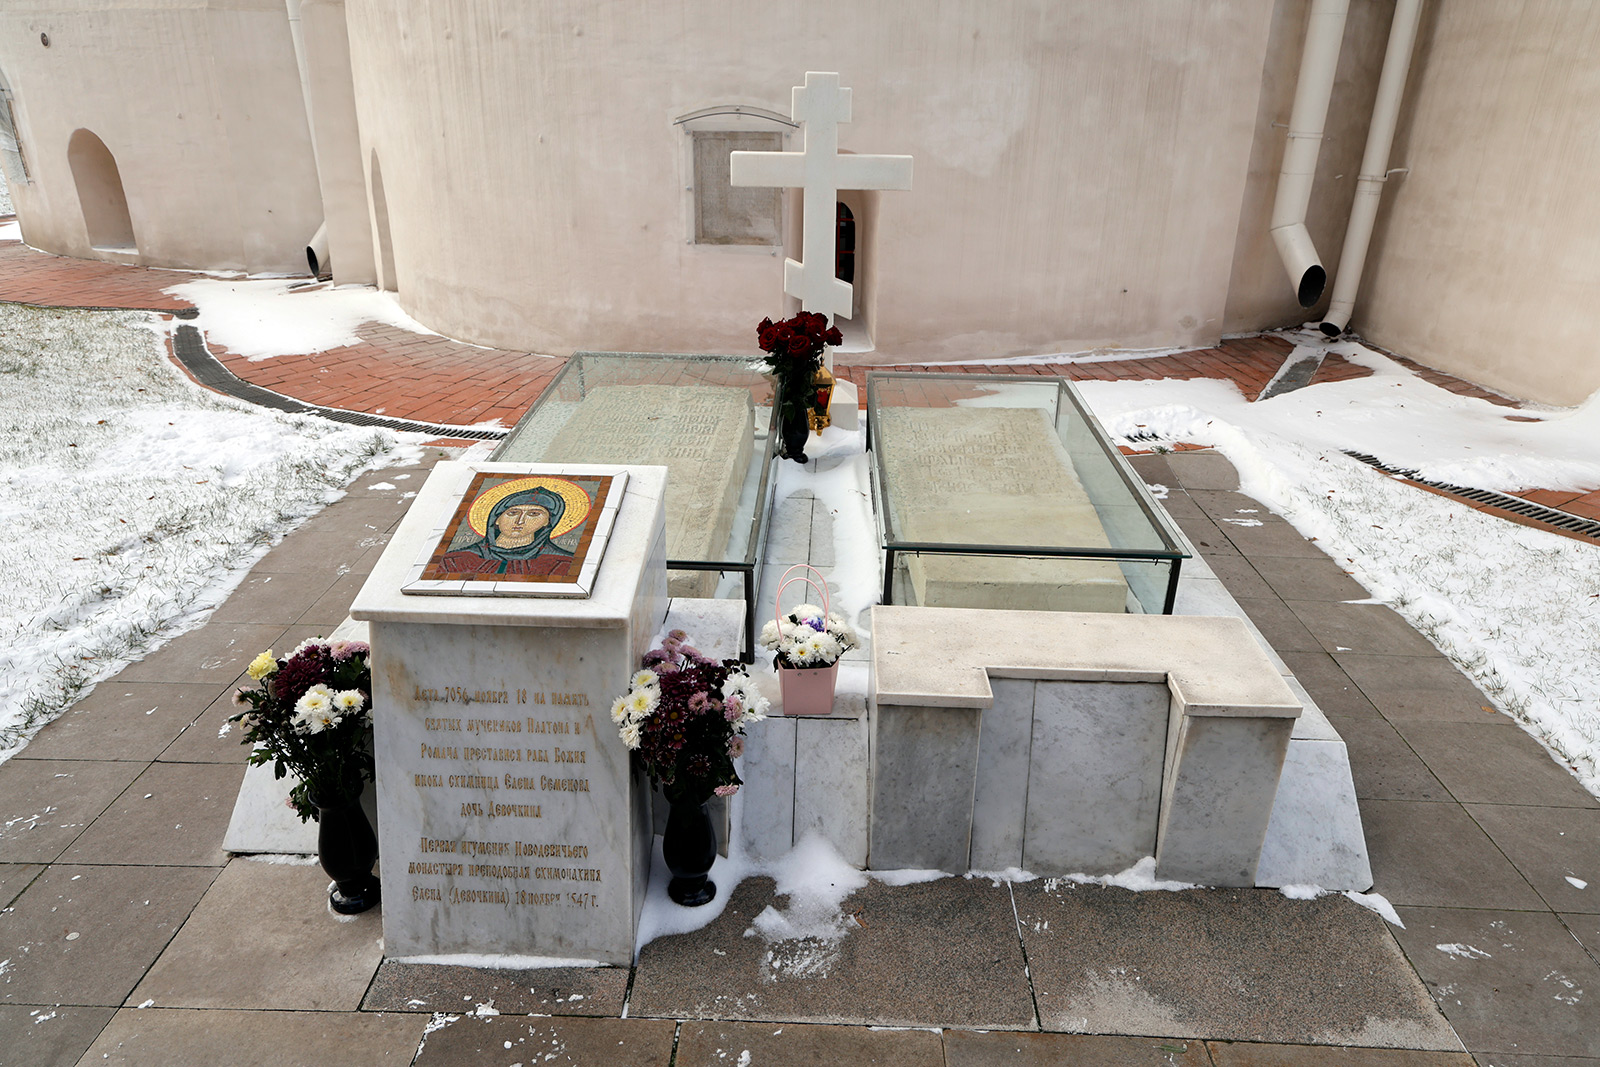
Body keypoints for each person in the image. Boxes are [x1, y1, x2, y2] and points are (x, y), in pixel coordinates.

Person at [437, 486, 574, 576]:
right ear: (496, 519)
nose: (520, 521)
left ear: (547, 522)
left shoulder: (561, 563)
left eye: (533, 514)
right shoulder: (454, 560)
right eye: (512, 513)